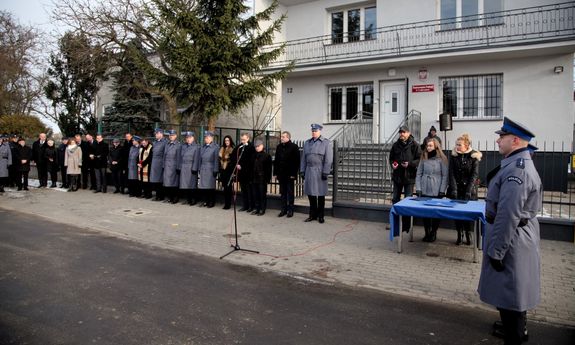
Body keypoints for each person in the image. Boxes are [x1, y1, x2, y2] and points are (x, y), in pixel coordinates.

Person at [478, 117, 542, 345]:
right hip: (513, 238)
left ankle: (515, 335)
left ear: (515, 140)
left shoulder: (518, 170)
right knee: (511, 295)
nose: (497, 140)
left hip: (511, 241)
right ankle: (515, 331)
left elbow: (508, 215)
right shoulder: (515, 163)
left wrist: (496, 251)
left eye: (501, 137)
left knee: (511, 296)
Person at [449, 133, 482, 245]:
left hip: (469, 190)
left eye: (460, 144)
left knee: (467, 213)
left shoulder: (473, 157)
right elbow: (451, 173)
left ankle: (468, 233)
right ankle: (460, 234)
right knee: (457, 213)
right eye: (456, 144)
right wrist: (454, 189)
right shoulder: (454, 156)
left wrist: (469, 190)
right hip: (457, 189)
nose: (457, 146)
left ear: (467, 146)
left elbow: (474, 175)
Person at [415, 138, 448, 242]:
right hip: (425, 187)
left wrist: (442, 190)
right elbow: (419, 174)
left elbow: (445, 176)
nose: (428, 148)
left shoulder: (442, 159)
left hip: (436, 188)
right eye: (427, 146)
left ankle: (433, 232)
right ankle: (427, 232)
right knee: (425, 212)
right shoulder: (423, 157)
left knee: (435, 212)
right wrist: (418, 188)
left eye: (430, 146)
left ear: (436, 146)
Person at [389, 125, 421, 232]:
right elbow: (391, 158)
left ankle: (407, 225)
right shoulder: (395, 145)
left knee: (408, 201)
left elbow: (419, 159)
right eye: (400, 132)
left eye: (404, 132)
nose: (401, 134)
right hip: (397, 176)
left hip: (409, 177)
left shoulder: (415, 145)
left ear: (408, 133)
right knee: (395, 199)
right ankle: (395, 222)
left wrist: (410, 164)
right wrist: (393, 164)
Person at [300, 123, 333, 224]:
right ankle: (312, 215)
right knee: (311, 194)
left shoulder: (326, 143)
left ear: (320, 131)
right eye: (312, 131)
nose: (314, 132)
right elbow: (303, 159)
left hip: (320, 171)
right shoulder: (307, 143)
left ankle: (321, 216)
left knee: (321, 195)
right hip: (309, 170)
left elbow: (328, 159)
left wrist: (326, 172)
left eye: (316, 131)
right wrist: (302, 170)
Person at [273, 131, 300, 218]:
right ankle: (283, 210)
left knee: (290, 192)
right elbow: (276, 161)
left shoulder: (294, 147)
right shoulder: (279, 147)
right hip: (281, 174)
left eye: (283, 137)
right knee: (283, 193)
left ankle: (290, 210)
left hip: (289, 174)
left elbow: (296, 162)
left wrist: (294, 174)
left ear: (288, 137)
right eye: (281, 137)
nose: (282, 138)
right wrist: (275, 173)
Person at [231, 132, 255, 212]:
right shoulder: (239, 147)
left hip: (248, 173)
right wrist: (236, 164)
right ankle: (245, 205)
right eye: (241, 139)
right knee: (243, 190)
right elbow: (233, 155)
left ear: (248, 138)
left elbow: (251, 160)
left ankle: (251, 206)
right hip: (241, 173)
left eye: (244, 139)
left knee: (249, 190)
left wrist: (243, 166)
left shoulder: (251, 147)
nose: (243, 141)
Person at [198, 131, 220, 208]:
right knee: (204, 187)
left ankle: (211, 201)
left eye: (207, 137)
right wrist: (199, 168)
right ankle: (206, 201)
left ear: (211, 138)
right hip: (203, 168)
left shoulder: (215, 147)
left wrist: (215, 169)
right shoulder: (203, 147)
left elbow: (216, 160)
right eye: (205, 137)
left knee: (210, 187)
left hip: (211, 169)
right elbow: (200, 158)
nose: (205, 139)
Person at [251, 140, 272, 216]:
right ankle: (257, 208)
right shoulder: (253, 155)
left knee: (262, 195)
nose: (257, 148)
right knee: (255, 194)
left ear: (262, 146)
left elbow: (269, 169)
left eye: (258, 146)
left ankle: (262, 209)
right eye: (256, 146)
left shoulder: (266, 156)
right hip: (254, 178)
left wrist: (267, 179)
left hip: (262, 179)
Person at [179, 131, 201, 205]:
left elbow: (196, 158)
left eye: (189, 137)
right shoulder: (183, 146)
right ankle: (188, 199)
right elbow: (180, 157)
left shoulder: (196, 147)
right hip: (184, 167)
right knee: (185, 185)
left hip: (191, 167)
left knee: (192, 185)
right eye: (187, 138)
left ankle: (193, 199)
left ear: (193, 138)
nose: (188, 139)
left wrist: (194, 168)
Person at [163, 130, 181, 203]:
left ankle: (175, 198)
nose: (171, 136)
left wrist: (178, 167)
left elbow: (179, 157)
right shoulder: (167, 144)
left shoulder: (178, 145)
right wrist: (163, 165)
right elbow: (164, 156)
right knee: (168, 183)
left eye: (173, 135)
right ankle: (170, 197)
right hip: (167, 166)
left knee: (174, 183)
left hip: (174, 166)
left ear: (176, 136)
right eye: (170, 135)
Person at [218, 135, 235, 209]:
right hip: (223, 171)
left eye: (228, 140)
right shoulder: (222, 149)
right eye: (225, 141)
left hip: (229, 171)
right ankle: (226, 203)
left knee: (228, 188)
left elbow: (233, 161)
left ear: (230, 141)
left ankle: (228, 204)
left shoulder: (232, 149)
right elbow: (220, 159)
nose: (226, 142)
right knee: (225, 188)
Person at [150, 128, 167, 201]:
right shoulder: (155, 142)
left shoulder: (165, 142)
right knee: (156, 180)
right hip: (154, 163)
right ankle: (157, 195)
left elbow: (165, 154)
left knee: (160, 180)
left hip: (160, 163)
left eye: (157, 134)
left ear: (161, 134)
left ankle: (161, 196)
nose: (155, 135)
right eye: (155, 134)